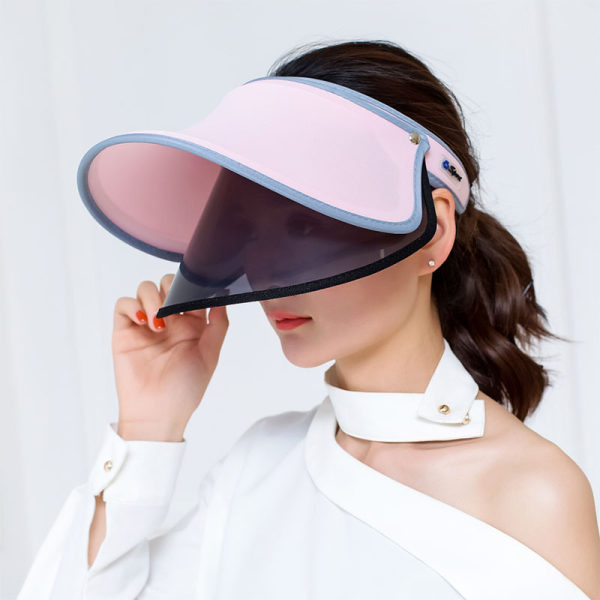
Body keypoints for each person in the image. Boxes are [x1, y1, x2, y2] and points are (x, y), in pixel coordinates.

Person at [17, 39, 600, 599]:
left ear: (432, 232)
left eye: (303, 226)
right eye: (249, 231)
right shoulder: (257, 468)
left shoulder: (530, 492)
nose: (266, 269)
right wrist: (148, 425)